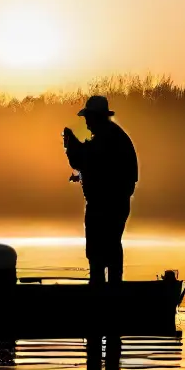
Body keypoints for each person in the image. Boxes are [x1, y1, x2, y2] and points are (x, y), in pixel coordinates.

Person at [63, 95, 138, 285]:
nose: (86, 122)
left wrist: (71, 145)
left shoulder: (107, 139)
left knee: (102, 249)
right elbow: (98, 168)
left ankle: (102, 291)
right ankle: (110, 288)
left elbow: (85, 160)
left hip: (107, 206)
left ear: (96, 117)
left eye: (88, 118)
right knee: (108, 247)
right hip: (114, 203)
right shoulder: (112, 136)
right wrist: (81, 176)